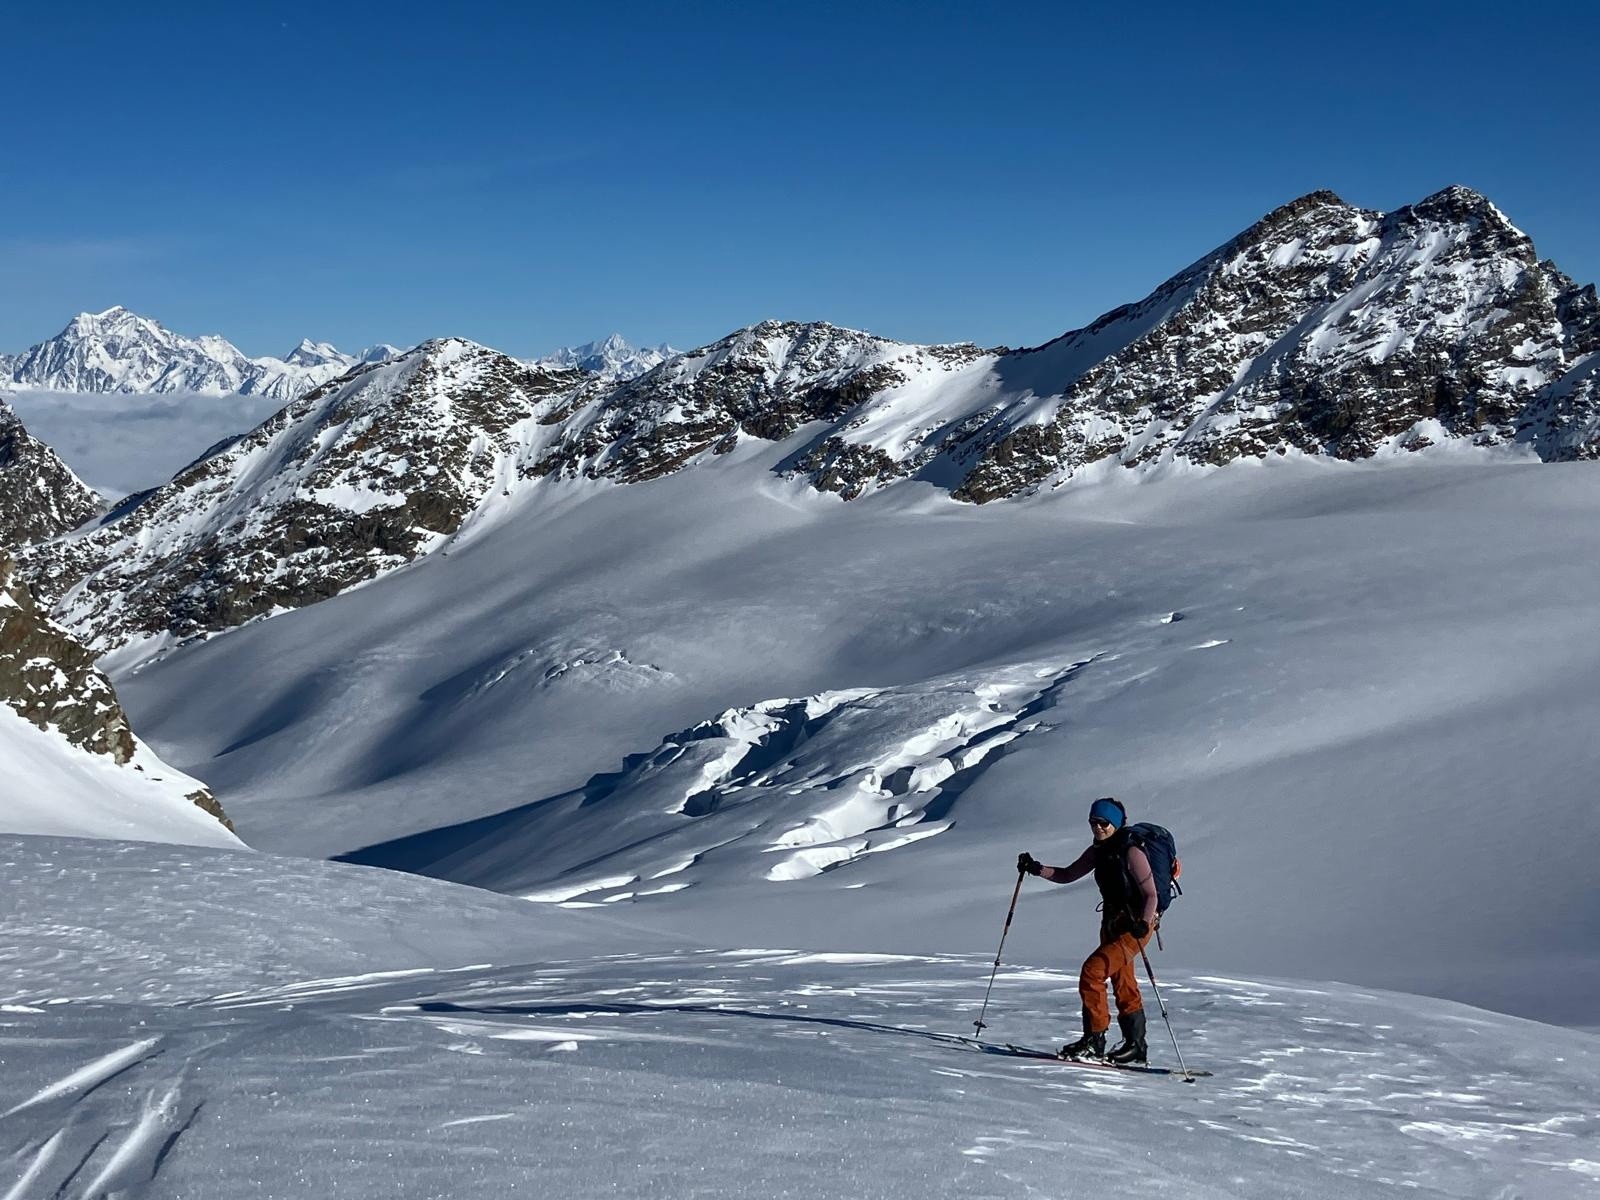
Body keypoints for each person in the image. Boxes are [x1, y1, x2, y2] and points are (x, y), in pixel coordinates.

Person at [1017, 797, 1156, 1063]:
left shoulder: (1131, 851)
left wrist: (1144, 923)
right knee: (1122, 981)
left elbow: (1151, 895)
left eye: (1104, 822)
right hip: (1112, 923)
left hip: (1135, 927)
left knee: (1092, 972)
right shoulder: (1098, 851)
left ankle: (1095, 1040)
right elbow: (1068, 874)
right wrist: (1036, 869)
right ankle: (1135, 1045)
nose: (1098, 827)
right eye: (1093, 822)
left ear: (1115, 823)